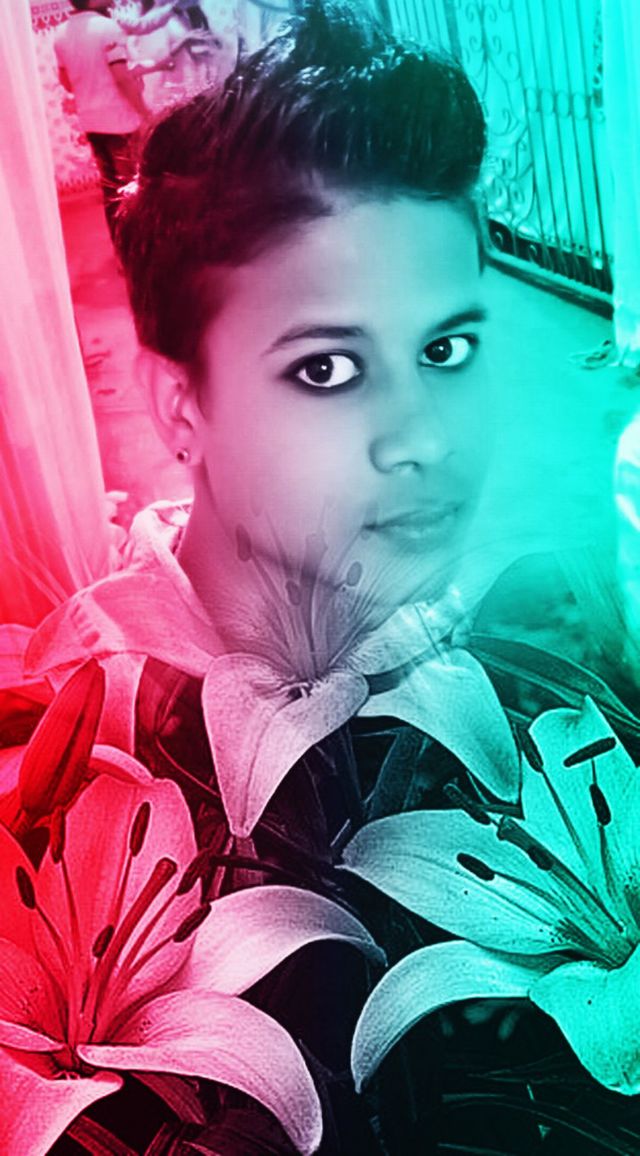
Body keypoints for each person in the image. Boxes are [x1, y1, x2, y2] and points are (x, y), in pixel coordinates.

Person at [24, 3, 525, 1150]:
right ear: (180, 406)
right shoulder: (93, 730)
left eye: (444, 348)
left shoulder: (488, 662)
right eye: (328, 366)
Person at [54, 0, 151, 242]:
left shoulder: (60, 35)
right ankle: (139, 247)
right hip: (120, 122)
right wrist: (145, 113)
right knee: (133, 188)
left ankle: (121, 245)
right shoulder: (108, 28)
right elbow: (121, 78)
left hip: (90, 121)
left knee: (111, 190)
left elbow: (66, 83)